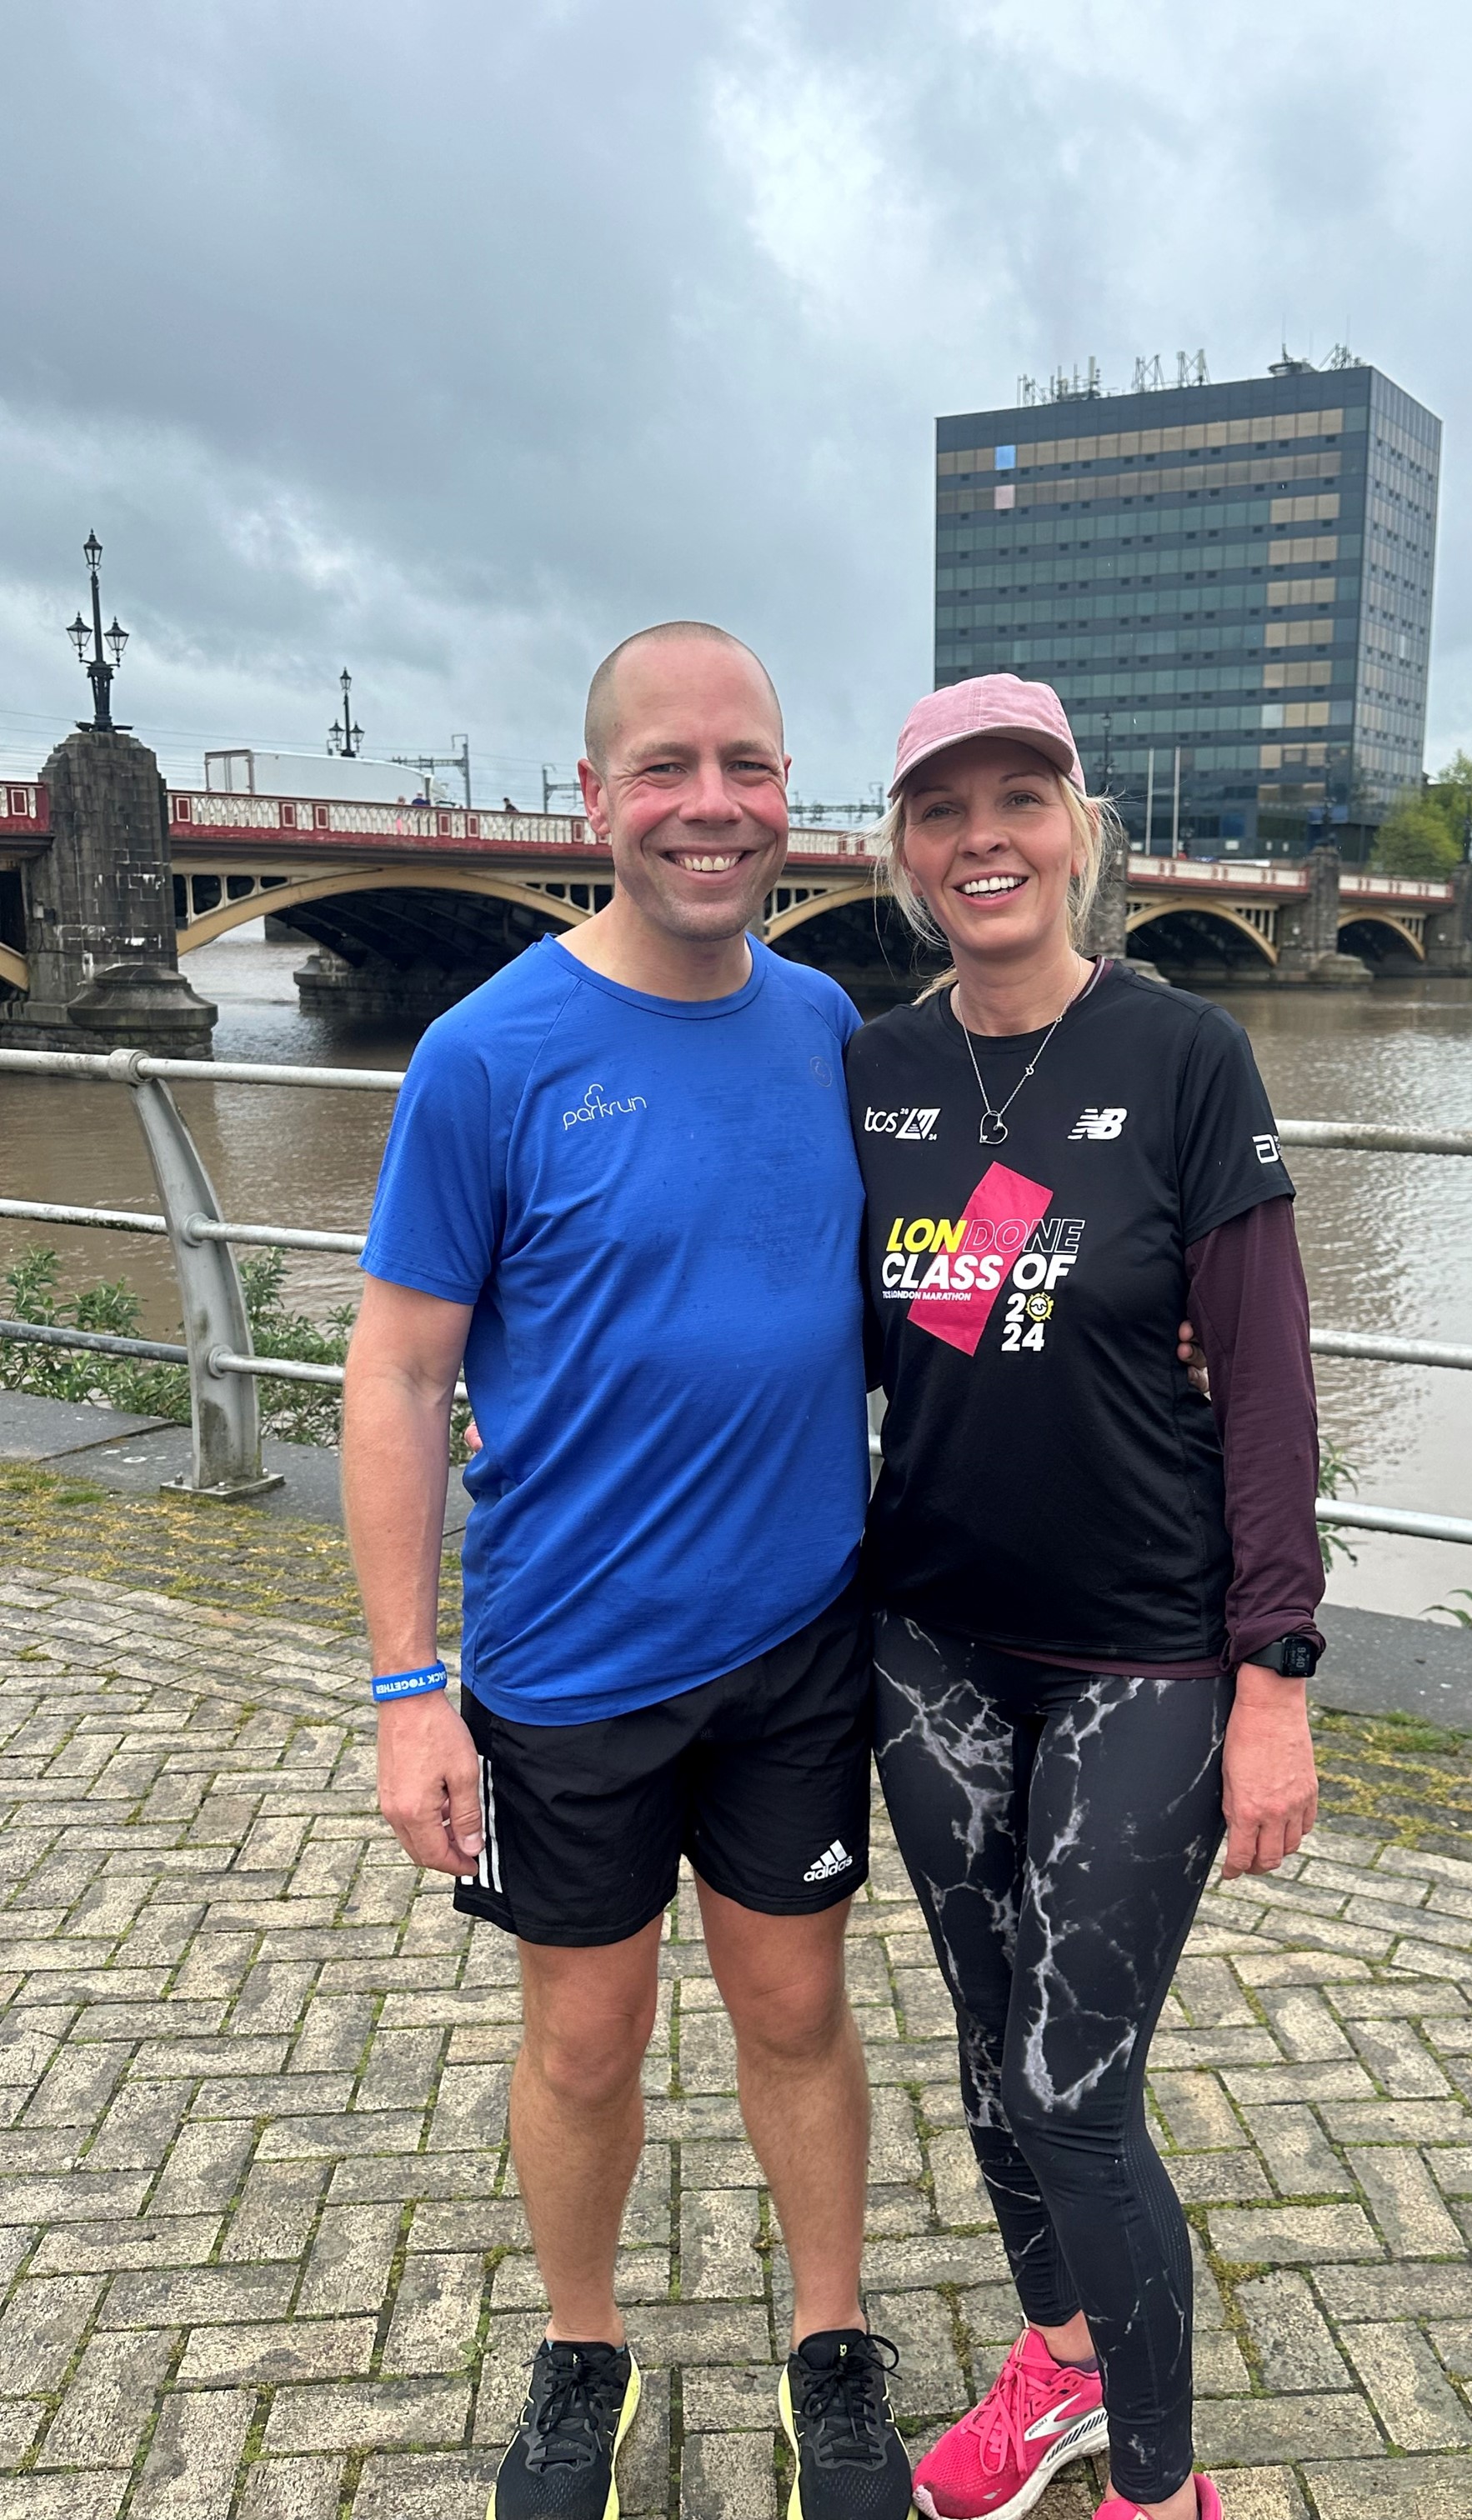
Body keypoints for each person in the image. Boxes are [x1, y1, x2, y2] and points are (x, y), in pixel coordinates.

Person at [343, 622, 914, 2520]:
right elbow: (403, 1370)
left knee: (797, 2011)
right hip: (570, 1664)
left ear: (786, 799)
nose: (711, 806)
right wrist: (407, 1688)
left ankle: (830, 2350)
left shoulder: (831, 1026)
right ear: (593, 798)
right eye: (665, 768)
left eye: (746, 766)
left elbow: (928, 1274)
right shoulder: (485, 1054)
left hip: (797, 1640)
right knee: (585, 2037)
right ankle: (580, 2353)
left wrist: (1145, 1320)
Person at [846, 675, 1324, 2520]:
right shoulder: (872, 1071)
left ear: (1080, 832)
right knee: (986, 2054)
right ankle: (1055, 2361)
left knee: (1070, 2083)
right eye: (945, 807)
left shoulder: (1186, 1055)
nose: (986, 837)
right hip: (932, 1639)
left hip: (1145, 1649)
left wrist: (1273, 1668)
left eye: (1020, 799)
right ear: (902, 853)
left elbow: (1269, 1385)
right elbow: (816, 1334)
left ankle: (1157, 2486)